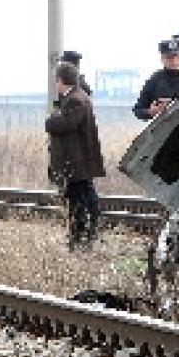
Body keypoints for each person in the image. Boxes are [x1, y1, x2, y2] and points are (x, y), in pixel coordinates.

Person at [45, 63, 105, 249]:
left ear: (61, 80)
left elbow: (64, 123)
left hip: (76, 162)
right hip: (78, 162)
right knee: (85, 198)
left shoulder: (75, 100)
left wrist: (50, 120)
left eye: (56, 80)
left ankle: (79, 236)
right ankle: (87, 234)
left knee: (77, 201)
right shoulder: (76, 97)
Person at [132, 39, 179, 120]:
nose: (174, 61)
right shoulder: (155, 80)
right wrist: (151, 112)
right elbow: (138, 110)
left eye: (177, 56)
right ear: (162, 59)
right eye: (169, 57)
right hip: (168, 127)